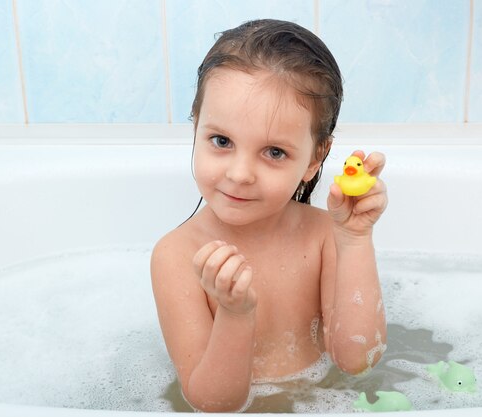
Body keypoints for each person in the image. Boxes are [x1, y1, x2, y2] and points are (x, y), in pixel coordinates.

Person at [151, 19, 388, 412]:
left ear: (316, 158)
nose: (240, 174)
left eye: (274, 152)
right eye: (221, 141)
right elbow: (212, 403)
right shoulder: (176, 256)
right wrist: (235, 314)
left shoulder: (324, 234)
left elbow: (357, 360)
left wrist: (355, 240)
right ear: (196, 126)